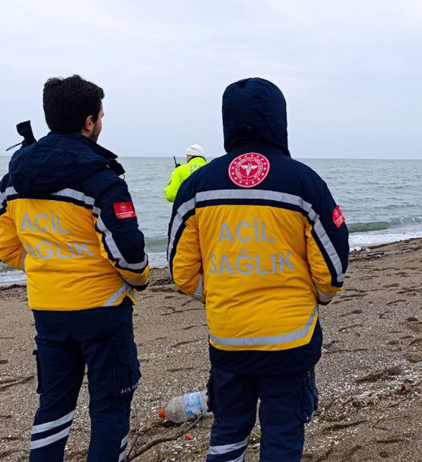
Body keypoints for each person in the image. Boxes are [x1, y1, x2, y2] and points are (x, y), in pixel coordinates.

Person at [168, 77, 349, 461]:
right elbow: (332, 272)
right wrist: (311, 296)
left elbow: (182, 274)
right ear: (279, 120)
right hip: (290, 340)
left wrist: (220, 290)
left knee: (229, 432)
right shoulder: (304, 182)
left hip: (229, 338)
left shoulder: (197, 186)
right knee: (282, 437)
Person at [0, 75, 149, 461]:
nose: (101, 123)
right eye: (101, 116)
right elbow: (129, 254)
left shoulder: (15, 178)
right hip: (102, 310)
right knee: (110, 405)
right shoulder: (100, 178)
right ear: (89, 122)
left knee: (54, 407)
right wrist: (139, 279)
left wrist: (47, 264)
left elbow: (0, 245)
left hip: (48, 310)